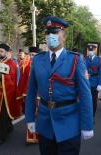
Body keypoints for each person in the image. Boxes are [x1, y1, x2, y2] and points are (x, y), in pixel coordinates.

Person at [25, 16, 94, 155]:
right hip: (45, 122)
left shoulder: (75, 59)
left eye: (55, 33)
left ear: (64, 37)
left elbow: (85, 95)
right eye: (48, 33)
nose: (51, 36)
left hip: (69, 123)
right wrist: (30, 118)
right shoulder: (38, 60)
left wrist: (87, 125)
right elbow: (31, 92)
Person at [0, 43, 21, 147]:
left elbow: (12, 79)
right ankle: (8, 127)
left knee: (2, 115)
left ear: (6, 52)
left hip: (6, 93)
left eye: (1, 51)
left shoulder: (11, 63)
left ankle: (0, 137)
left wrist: (1, 75)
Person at [84, 44, 101, 119]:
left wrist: (100, 84)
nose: (90, 51)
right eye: (89, 50)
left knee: (93, 101)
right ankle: (87, 115)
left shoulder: (99, 60)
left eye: (92, 50)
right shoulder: (85, 59)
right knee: (86, 100)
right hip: (86, 82)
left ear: (94, 51)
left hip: (95, 83)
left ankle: (92, 116)